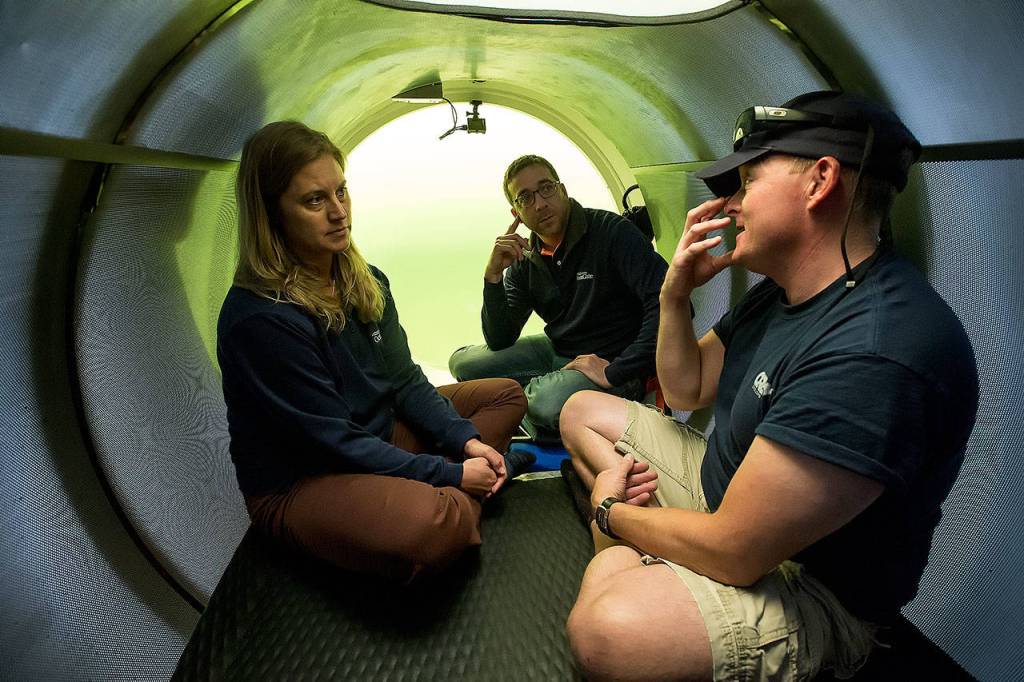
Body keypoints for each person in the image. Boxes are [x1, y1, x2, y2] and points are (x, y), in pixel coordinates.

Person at [559, 91, 979, 680]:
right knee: (579, 409)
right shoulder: (781, 292)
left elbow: (738, 550)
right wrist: (673, 295)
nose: (728, 206)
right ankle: (657, 546)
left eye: (747, 182)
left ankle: (639, 543)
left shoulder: (878, 346)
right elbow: (686, 389)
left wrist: (609, 511)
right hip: (724, 496)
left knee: (608, 632)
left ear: (820, 181)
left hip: (803, 584)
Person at [217, 121, 528, 581]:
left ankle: (453, 485)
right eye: (314, 200)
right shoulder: (262, 320)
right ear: (273, 214)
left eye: (341, 192)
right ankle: (458, 497)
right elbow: (336, 444)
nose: (339, 212)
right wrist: (454, 475)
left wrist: (468, 441)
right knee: (433, 523)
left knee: (506, 396)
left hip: (377, 435)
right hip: (307, 479)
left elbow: (405, 382)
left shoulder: (365, 280)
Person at [448, 155, 668, 442]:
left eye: (546, 189)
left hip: (613, 362)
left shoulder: (610, 232)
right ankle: (540, 402)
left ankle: (535, 404)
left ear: (562, 190)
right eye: (525, 198)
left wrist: (618, 370)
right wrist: (492, 277)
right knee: (463, 364)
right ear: (516, 212)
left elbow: (666, 305)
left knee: (545, 404)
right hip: (560, 350)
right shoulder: (526, 258)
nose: (539, 203)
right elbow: (500, 338)